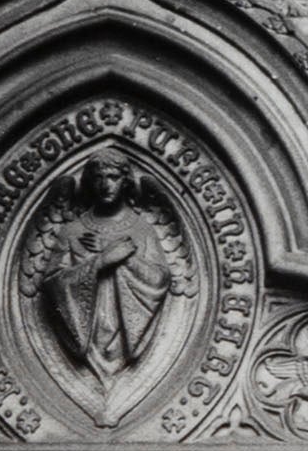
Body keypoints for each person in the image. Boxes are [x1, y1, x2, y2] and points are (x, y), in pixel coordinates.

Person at [26, 154, 190, 384]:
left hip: (125, 332)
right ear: (90, 183)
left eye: (113, 177)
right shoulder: (72, 231)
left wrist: (125, 259)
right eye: (99, 178)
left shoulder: (142, 230)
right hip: (87, 335)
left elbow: (160, 279)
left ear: (125, 181)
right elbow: (53, 283)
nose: (105, 185)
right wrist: (100, 261)